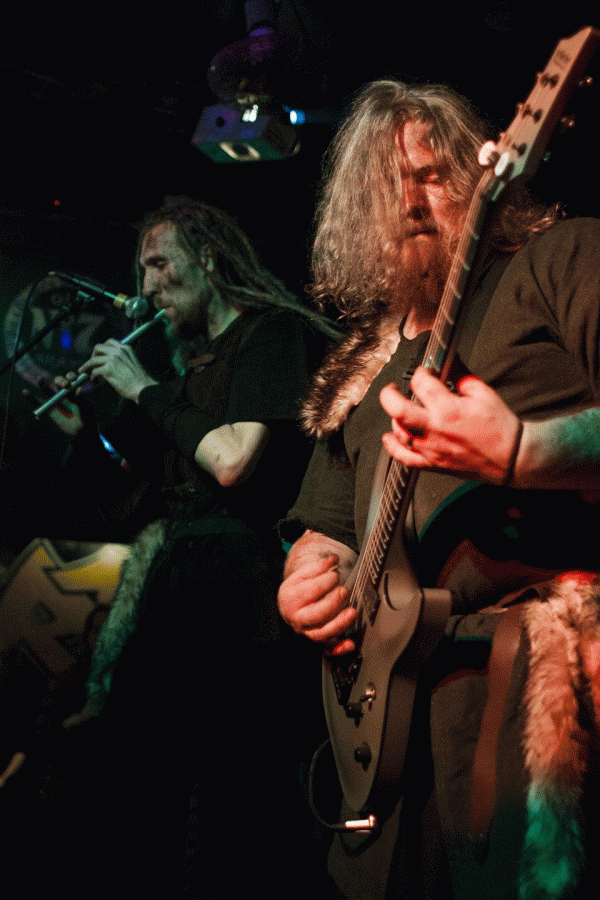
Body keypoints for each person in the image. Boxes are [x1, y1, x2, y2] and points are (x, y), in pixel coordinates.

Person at [277, 80, 600, 900]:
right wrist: (305, 578)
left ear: (484, 172)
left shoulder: (559, 261)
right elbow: (324, 528)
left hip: (542, 696)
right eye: (390, 185)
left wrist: (525, 450)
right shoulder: (359, 365)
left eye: (433, 174)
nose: (413, 201)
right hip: (392, 722)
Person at [15, 197, 338, 899]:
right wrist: (88, 429)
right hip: (175, 608)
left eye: (160, 264)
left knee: (238, 809)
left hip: (244, 612)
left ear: (209, 257)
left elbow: (234, 461)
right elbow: (139, 498)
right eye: (142, 270)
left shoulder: (272, 336)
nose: (148, 286)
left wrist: (142, 388)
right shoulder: (188, 374)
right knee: (143, 801)